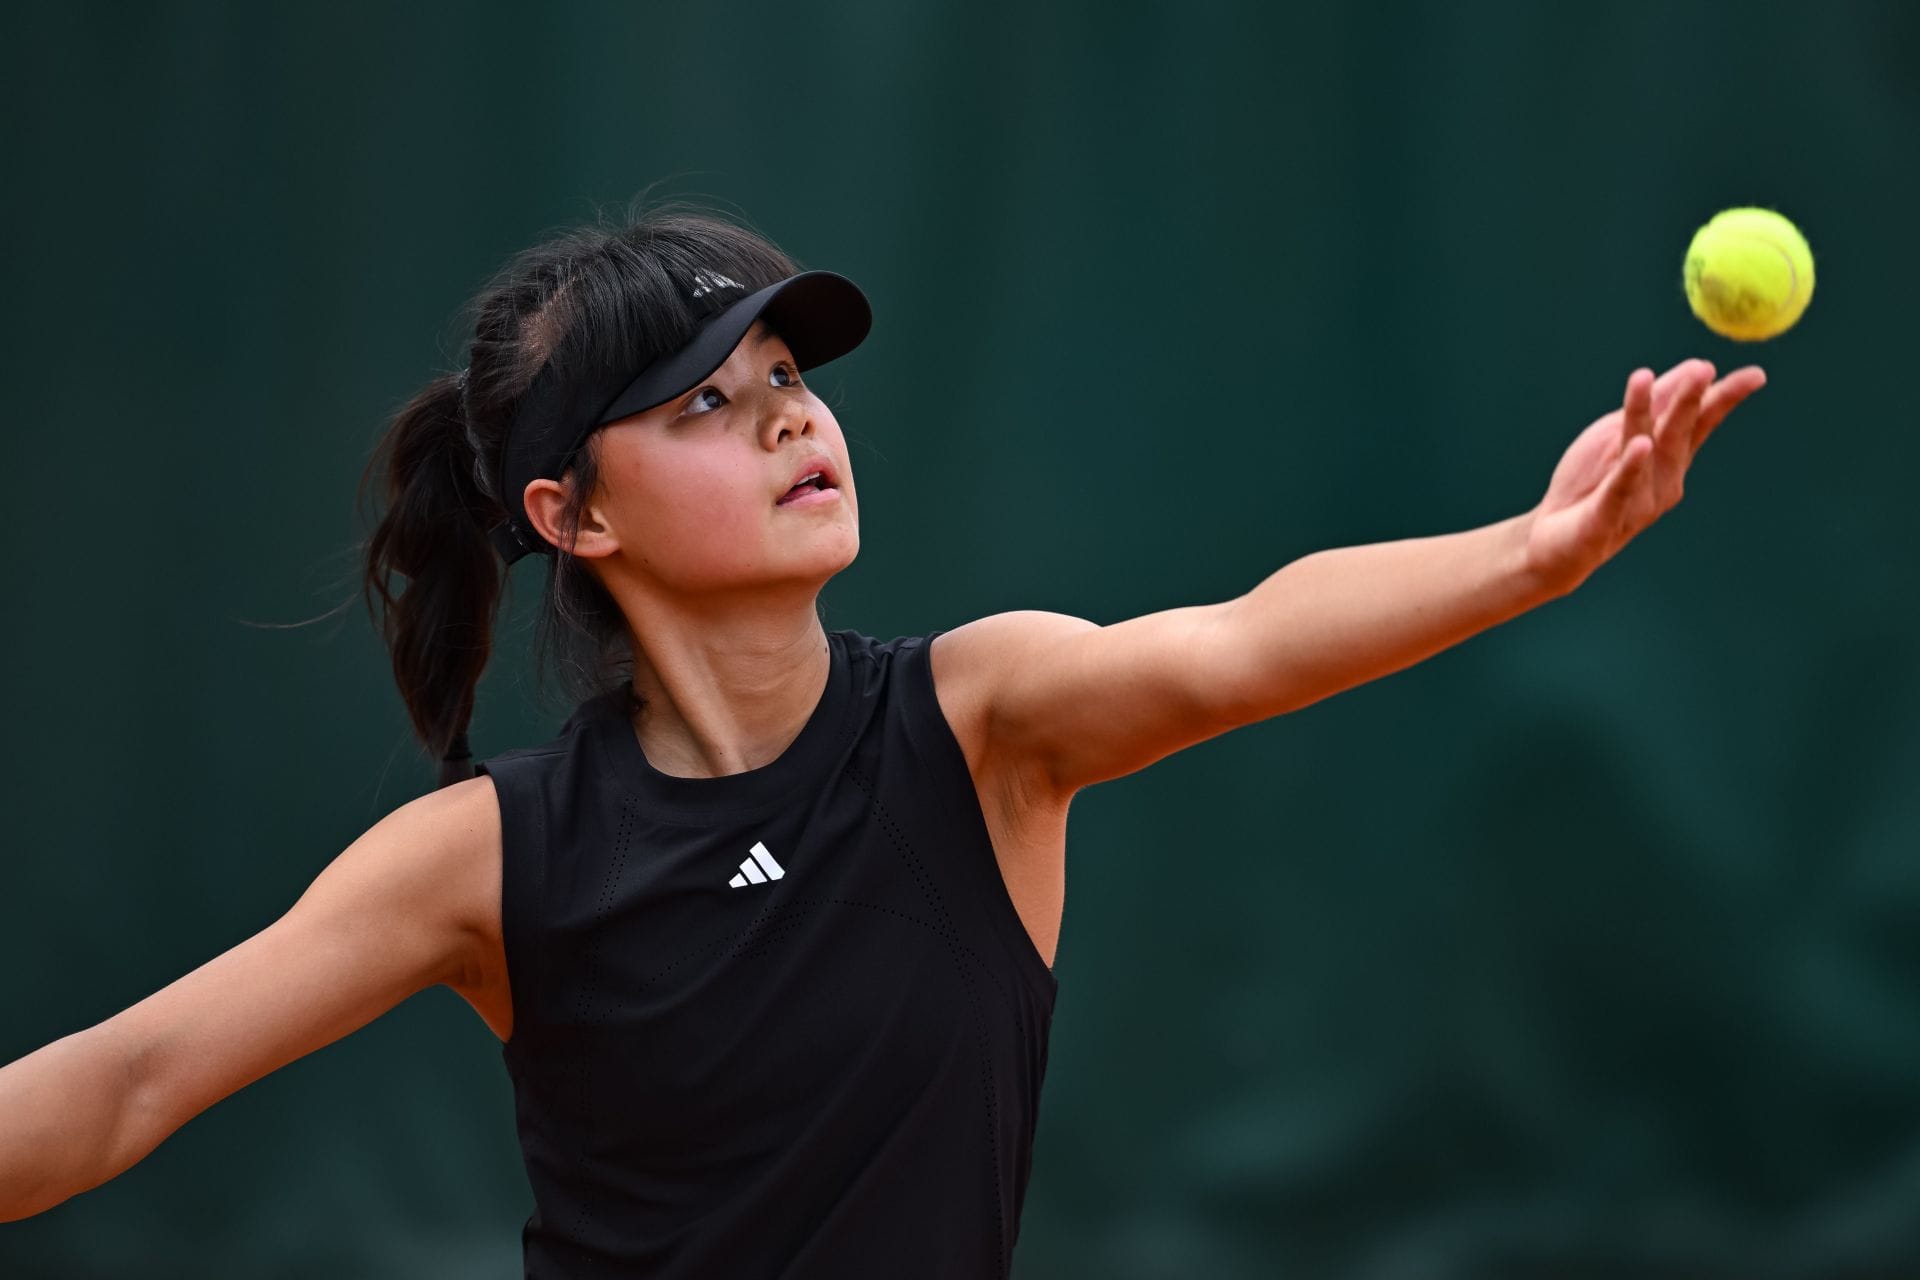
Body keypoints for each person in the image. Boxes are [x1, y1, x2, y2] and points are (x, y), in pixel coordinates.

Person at [0, 198, 1767, 1278]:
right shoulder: (488, 859)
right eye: (706, 406)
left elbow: (1241, 642)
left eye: (788, 381)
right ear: (573, 516)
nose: (786, 425)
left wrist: (1535, 558)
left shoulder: (980, 724)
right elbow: (126, 1083)